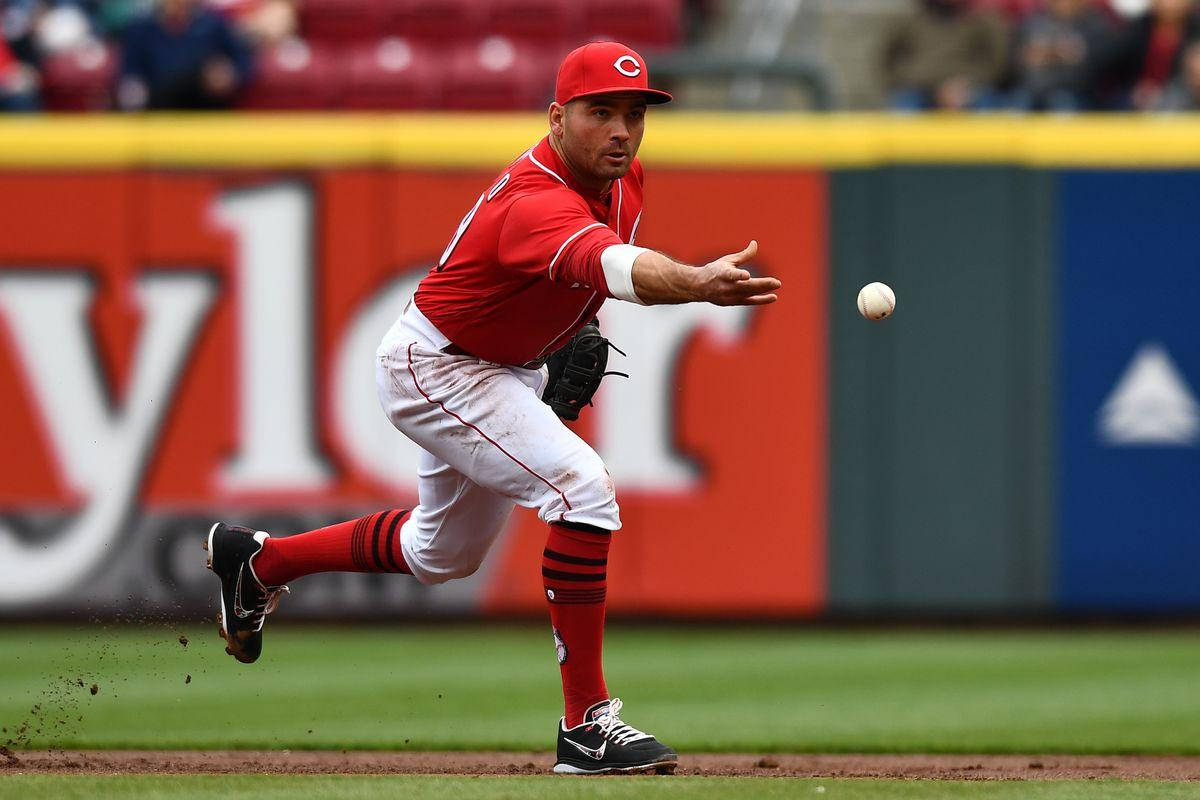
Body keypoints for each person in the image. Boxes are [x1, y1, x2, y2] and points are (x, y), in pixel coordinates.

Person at [202, 41, 782, 776]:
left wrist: (581, 331)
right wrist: (697, 281)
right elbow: (613, 267)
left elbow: (586, 280)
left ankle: (258, 562)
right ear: (556, 117)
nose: (621, 130)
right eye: (600, 111)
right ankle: (588, 725)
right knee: (583, 488)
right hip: (435, 364)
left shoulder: (626, 177)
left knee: (440, 555)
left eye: (634, 113)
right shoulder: (532, 200)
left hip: (497, 367)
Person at [116, 0, 252, 110]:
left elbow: (243, 62)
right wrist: (133, 88)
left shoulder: (215, 26)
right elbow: (130, 72)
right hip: (158, 110)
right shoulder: (140, 29)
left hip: (205, 110)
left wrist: (230, 74)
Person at [881, 0, 1010, 111]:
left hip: (969, 89)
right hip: (920, 90)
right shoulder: (909, 21)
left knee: (989, 108)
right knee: (905, 108)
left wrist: (967, 84)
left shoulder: (983, 21)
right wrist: (929, 86)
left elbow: (995, 62)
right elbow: (888, 60)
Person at [1010, 0, 1113, 111]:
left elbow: (1102, 64)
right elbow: (1017, 59)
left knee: (1062, 105)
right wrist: (1031, 56)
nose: (1063, 4)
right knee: (1016, 105)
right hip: (1031, 89)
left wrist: (1074, 55)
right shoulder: (1032, 23)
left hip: (1073, 92)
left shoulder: (1093, 25)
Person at [1103, 0, 1200, 110]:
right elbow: (1113, 70)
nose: (1170, 4)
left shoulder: (1196, 32)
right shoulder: (1135, 29)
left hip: (1181, 99)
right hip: (1133, 99)